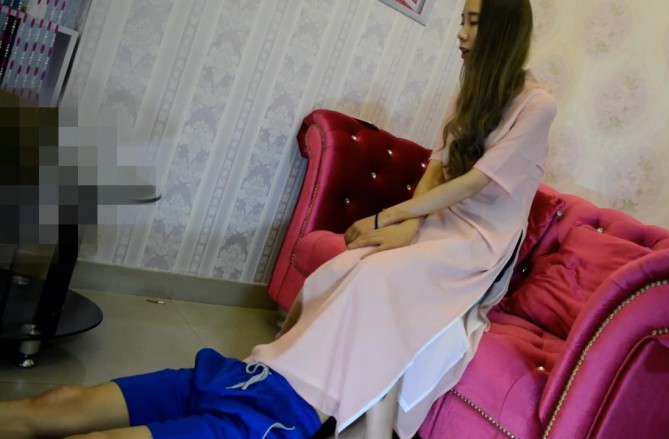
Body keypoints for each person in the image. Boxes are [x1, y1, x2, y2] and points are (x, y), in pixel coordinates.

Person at [0, 0, 556, 437]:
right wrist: (402, 228)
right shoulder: (470, 91)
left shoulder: (537, 105)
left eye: (473, 21)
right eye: (461, 19)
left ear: (502, 31)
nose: (460, 32)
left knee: (380, 277)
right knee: (348, 265)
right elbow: (439, 165)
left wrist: (390, 215)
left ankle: (337, 400)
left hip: (475, 241)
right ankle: (294, 364)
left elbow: (475, 182)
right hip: (253, 367)